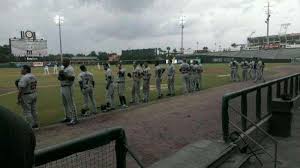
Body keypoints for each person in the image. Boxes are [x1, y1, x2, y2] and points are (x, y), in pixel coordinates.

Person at [58, 58, 78, 125]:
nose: (63, 62)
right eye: (63, 61)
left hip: (68, 87)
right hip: (63, 86)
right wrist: (60, 75)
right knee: (65, 103)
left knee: (71, 103)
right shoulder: (64, 68)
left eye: (64, 61)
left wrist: (63, 75)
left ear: (68, 62)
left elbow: (72, 78)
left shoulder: (70, 69)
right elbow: (60, 78)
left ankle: (74, 119)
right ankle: (68, 117)